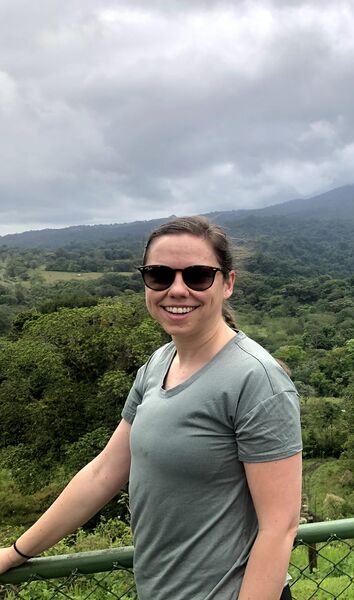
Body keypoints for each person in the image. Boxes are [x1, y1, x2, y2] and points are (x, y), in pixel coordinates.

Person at [0, 216, 303, 600]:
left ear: (227, 283)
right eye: (160, 275)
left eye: (197, 276)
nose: (177, 289)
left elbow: (279, 527)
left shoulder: (256, 379)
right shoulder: (159, 363)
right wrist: (16, 552)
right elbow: (103, 473)